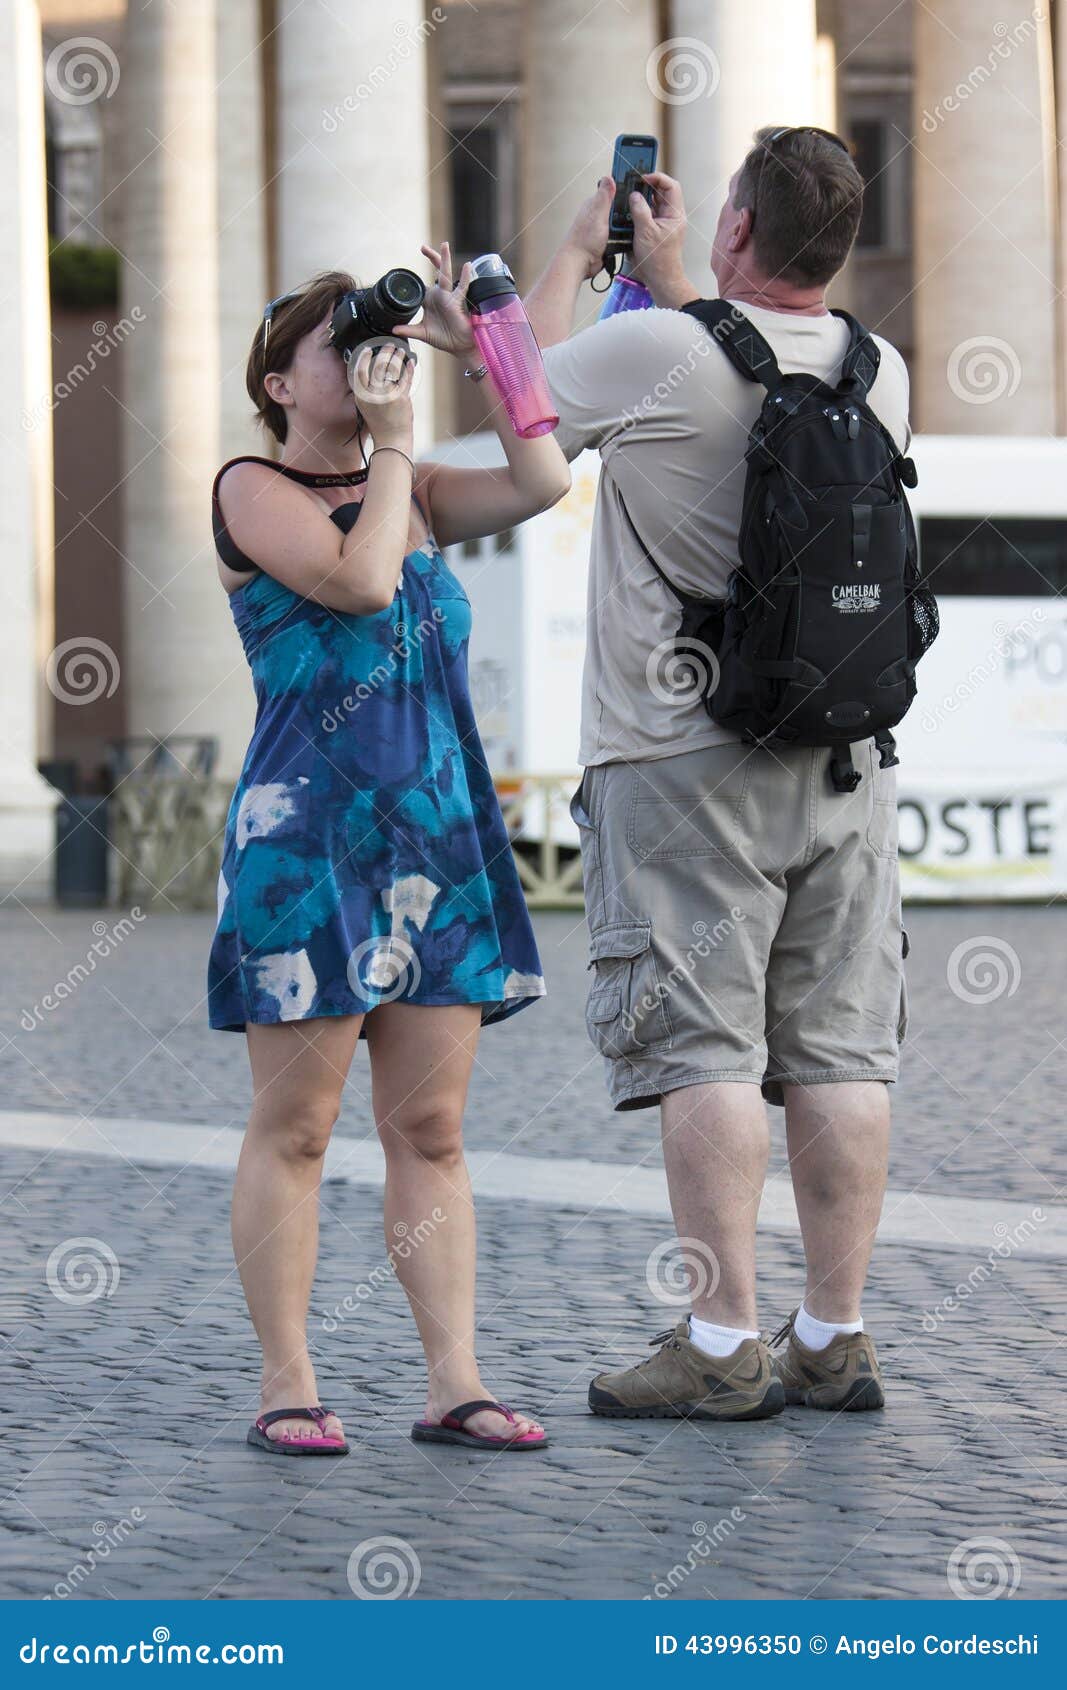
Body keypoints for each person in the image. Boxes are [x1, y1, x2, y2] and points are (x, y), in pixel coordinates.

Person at [525, 128, 911, 1420]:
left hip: (681, 754)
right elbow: (737, 358)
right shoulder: (877, 369)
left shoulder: (651, 353)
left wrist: (581, 253)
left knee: (704, 1051)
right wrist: (686, 272)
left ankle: (718, 1338)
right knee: (838, 1051)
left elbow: (515, 396)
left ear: (736, 227)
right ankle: (832, 1334)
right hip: (845, 758)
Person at [208, 243, 569, 1455]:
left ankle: (452, 1379)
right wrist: (399, 439)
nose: (365, 355)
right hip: (306, 840)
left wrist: (490, 349)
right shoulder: (250, 488)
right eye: (337, 341)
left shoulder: (409, 481)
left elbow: (543, 477)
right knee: (298, 1126)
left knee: (432, 1130)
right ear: (277, 383)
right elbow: (362, 586)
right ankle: (286, 1379)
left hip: (435, 834)